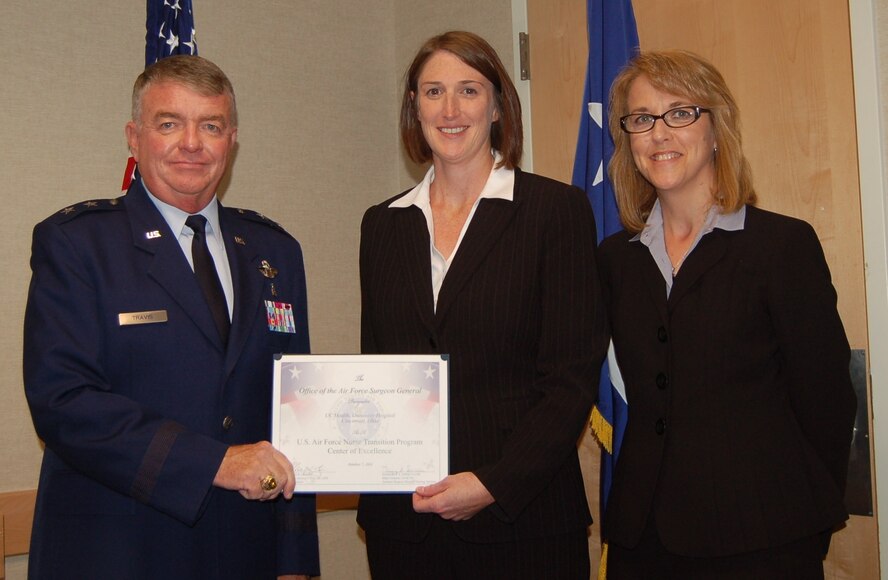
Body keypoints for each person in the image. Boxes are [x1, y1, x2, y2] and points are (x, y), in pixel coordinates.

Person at [23, 55, 319, 579]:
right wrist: (215, 464)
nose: (191, 143)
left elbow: (293, 410)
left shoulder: (274, 252)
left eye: (211, 126)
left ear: (232, 141)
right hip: (117, 553)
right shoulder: (78, 244)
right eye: (169, 124)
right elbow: (63, 401)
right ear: (134, 139)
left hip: (246, 553)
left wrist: (295, 561)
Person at [357, 31, 608, 579]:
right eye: (433, 92)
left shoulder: (554, 211)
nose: (450, 110)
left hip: (523, 522)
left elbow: (570, 378)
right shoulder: (382, 224)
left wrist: (493, 483)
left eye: (469, 91)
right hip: (406, 526)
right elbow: (378, 370)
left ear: (497, 106)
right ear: (414, 108)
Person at [598, 49, 857, 579]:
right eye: (643, 119)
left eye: (681, 113)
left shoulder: (781, 247)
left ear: (717, 129)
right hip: (642, 540)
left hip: (763, 534)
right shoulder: (613, 260)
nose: (660, 133)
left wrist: (804, 515)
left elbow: (827, 398)